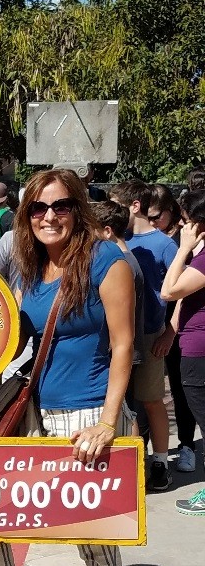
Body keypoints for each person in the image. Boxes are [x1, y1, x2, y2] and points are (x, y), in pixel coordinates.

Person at [0, 168, 134, 566]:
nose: (49, 217)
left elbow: (125, 345)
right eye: (38, 209)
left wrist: (109, 421)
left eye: (60, 206)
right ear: (25, 216)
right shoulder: (26, 267)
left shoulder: (108, 261)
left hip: (88, 412)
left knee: (95, 534)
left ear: (78, 209)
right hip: (35, 413)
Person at [109, 179, 178, 490]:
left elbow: (180, 294)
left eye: (116, 203)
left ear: (133, 206)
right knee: (122, 402)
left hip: (151, 334)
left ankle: (160, 462)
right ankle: (130, 467)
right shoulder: (113, 239)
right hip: (120, 335)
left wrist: (169, 333)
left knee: (151, 401)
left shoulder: (164, 244)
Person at [161, 189, 205, 513]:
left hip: (198, 352)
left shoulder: (201, 257)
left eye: (186, 221)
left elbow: (169, 290)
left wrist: (183, 250)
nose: (182, 227)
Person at [147, 184, 196, 472]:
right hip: (148, 325)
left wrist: (170, 332)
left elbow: (181, 293)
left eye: (156, 217)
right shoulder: (139, 236)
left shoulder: (181, 241)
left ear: (171, 212)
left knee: (181, 389)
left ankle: (187, 444)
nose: (151, 223)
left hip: (175, 325)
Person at [90, 200, 145, 413]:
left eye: (91, 231)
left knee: (127, 412)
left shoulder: (121, 264)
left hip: (121, 353)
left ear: (106, 232)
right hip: (123, 351)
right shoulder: (127, 260)